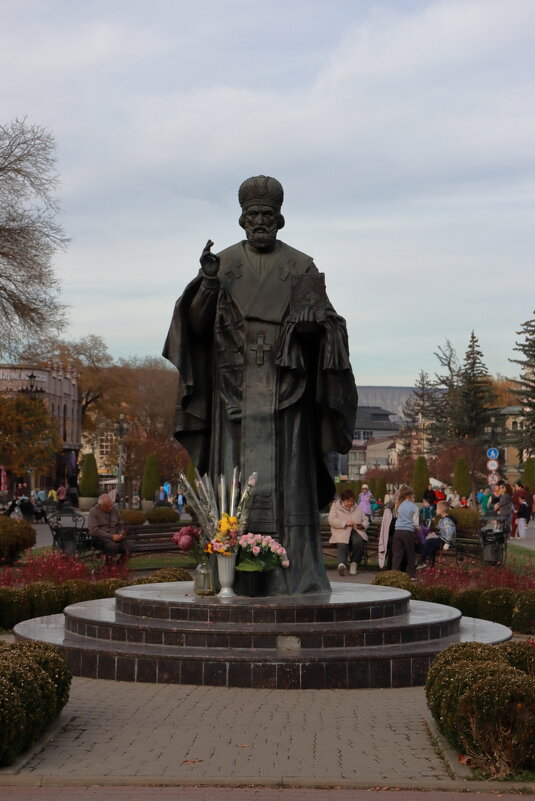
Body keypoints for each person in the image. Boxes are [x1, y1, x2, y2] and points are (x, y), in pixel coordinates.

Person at [163, 175, 358, 595]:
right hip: (231, 391)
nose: (260, 221)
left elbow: (329, 325)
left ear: (280, 218)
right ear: (241, 218)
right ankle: (233, 577)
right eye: (253, 215)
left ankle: (294, 574)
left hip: (287, 391)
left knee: (289, 480)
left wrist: (313, 329)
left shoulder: (300, 265)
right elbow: (195, 326)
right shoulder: (224, 264)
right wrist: (208, 283)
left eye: (268, 214)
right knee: (234, 480)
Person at [328, 489, 369, 575]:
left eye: (352, 501)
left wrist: (362, 525)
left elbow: (366, 520)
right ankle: (341, 565)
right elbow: (331, 520)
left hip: (355, 530)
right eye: (348, 501)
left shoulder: (357, 507)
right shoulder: (335, 507)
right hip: (341, 531)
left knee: (359, 542)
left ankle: (354, 563)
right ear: (342, 500)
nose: (350, 503)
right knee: (342, 544)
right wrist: (345, 523)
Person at [87, 494, 130, 564]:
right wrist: (111, 536)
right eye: (107, 506)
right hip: (102, 538)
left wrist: (121, 532)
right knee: (112, 546)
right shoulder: (94, 511)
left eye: (111, 505)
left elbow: (120, 523)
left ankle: (119, 566)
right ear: (101, 505)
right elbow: (93, 530)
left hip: (116, 535)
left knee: (128, 547)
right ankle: (109, 567)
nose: (110, 508)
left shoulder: (114, 509)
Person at [392, 486, 419, 578]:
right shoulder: (414, 507)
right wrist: (419, 529)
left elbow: (397, 517)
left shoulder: (398, 505)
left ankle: (394, 574)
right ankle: (412, 575)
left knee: (397, 554)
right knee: (410, 553)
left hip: (398, 531)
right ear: (410, 495)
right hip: (408, 532)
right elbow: (416, 523)